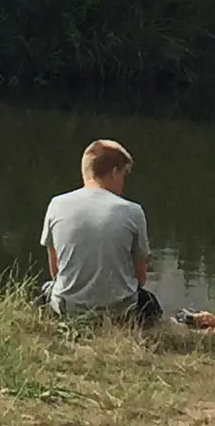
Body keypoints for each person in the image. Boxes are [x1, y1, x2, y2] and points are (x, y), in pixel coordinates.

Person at [38, 138, 161, 324]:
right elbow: (140, 277)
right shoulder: (133, 211)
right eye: (123, 175)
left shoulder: (57, 204)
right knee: (150, 302)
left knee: (47, 288)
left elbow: (55, 271)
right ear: (114, 172)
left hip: (68, 309)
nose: (123, 183)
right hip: (120, 314)